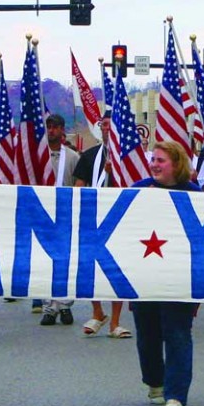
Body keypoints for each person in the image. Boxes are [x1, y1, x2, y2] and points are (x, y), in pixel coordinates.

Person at [130, 141, 201, 406]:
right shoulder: (139, 190)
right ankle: (155, 382)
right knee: (147, 335)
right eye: (154, 160)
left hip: (179, 275)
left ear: (176, 164)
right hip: (145, 275)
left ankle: (176, 394)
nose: (155, 165)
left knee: (177, 333)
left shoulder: (194, 194)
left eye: (161, 160)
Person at [73, 117, 133, 339]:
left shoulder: (130, 157)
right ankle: (97, 312)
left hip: (120, 221)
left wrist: (115, 174)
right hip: (93, 221)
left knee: (116, 270)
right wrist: (103, 175)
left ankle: (115, 322)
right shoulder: (89, 156)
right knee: (91, 269)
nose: (106, 129)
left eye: (110, 124)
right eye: (103, 125)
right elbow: (78, 188)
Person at [39, 113, 81, 326]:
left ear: (62, 130)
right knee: (46, 261)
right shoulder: (38, 155)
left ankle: (65, 305)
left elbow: (78, 184)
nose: (51, 131)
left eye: (55, 127)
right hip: (43, 214)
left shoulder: (72, 157)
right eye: (48, 127)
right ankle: (49, 307)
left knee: (66, 260)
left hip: (65, 214)